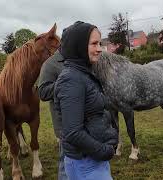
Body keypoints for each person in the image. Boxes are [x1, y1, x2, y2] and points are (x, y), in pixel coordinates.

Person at [54, 21, 118, 180]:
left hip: (93, 160)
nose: (99, 49)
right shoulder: (71, 79)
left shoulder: (83, 74)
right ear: (79, 46)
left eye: (100, 43)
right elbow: (73, 132)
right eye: (94, 44)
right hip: (85, 163)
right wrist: (104, 151)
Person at [37, 27, 68, 179]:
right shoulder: (50, 64)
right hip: (64, 125)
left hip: (86, 122)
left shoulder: (79, 60)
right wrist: (65, 83)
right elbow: (42, 93)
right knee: (66, 163)